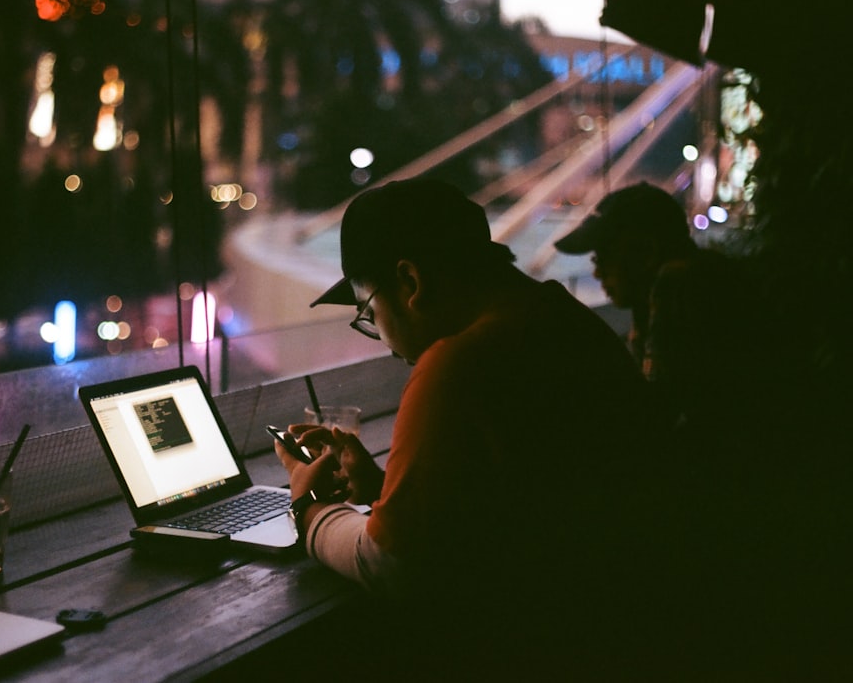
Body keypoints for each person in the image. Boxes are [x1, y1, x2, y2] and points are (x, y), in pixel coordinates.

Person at [273, 178, 675, 678]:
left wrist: (310, 509)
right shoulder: (567, 321)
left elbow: (391, 565)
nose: (385, 342)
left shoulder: (458, 364)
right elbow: (513, 497)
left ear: (410, 284)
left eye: (369, 312)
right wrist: (386, 490)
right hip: (630, 625)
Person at [553, 182, 776, 437]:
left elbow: (655, 415)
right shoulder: (703, 277)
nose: (597, 272)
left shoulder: (679, 285)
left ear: (646, 252)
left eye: (603, 258)